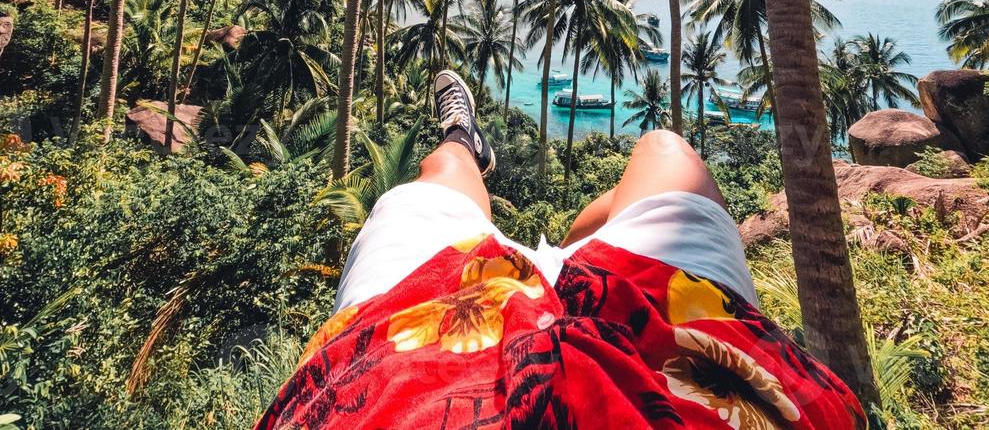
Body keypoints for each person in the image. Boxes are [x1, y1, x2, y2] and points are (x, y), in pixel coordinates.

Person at [256, 70, 867, 429]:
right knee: (665, 152)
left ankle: (465, 143)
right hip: (669, 331)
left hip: (414, 339)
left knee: (441, 168)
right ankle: (575, 256)